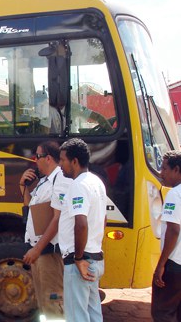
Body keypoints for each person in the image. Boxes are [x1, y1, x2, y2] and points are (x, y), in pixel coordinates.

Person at [20, 141, 72, 319]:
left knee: (53, 300)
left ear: (48, 158)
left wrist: (37, 249)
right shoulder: (44, 181)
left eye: (37, 156)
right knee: (43, 302)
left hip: (49, 252)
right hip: (40, 252)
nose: (35, 161)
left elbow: (57, 220)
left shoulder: (61, 180)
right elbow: (30, 207)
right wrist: (24, 186)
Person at [58, 138, 107, 322]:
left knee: (77, 316)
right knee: (94, 313)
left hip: (80, 261)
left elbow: (81, 223)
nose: (60, 165)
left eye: (62, 160)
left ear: (74, 162)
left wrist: (78, 258)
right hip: (94, 257)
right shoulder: (96, 182)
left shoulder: (78, 186)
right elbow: (103, 219)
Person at [151, 150, 181, 321]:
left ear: (176, 170)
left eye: (164, 169)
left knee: (163, 312)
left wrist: (161, 265)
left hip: (174, 264)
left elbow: (174, 230)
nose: (161, 173)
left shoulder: (174, 195)